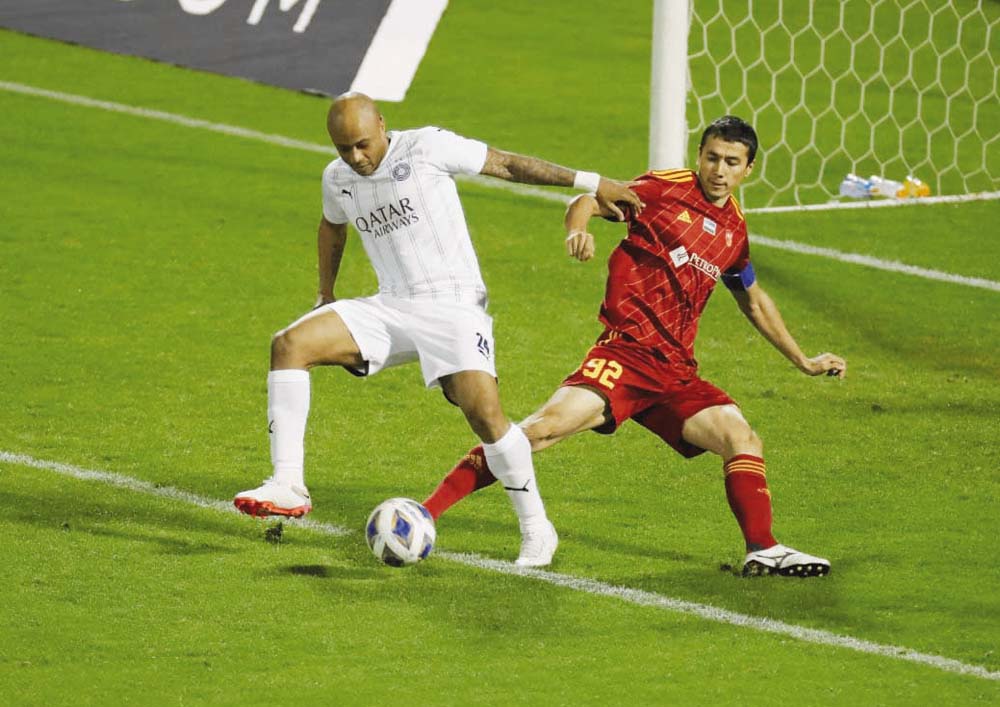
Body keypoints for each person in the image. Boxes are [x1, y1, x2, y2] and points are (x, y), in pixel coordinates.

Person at [422, 116, 845, 576]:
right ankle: (425, 513)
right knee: (540, 431)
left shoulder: (734, 232)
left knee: (741, 438)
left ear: (749, 170)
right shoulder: (664, 191)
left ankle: (762, 547)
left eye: (731, 162)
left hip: (675, 373)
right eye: (711, 158)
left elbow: (753, 300)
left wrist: (802, 360)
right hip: (624, 355)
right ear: (698, 156)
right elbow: (588, 199)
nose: (718, 170)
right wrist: (577, 229)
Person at [233, 92, 642, 567]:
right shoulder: (337, 177)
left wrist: (594, 181)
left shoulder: (426, 148)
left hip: (452, 305)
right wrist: (326, 295)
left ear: (382, 124)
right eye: (344, 148)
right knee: (289, 344)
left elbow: (507, 164)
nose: (356, 158)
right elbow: (332, 227)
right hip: (391, 306)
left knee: (487, 417)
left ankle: (536, 529)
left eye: (363, 145)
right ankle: (288, 483)